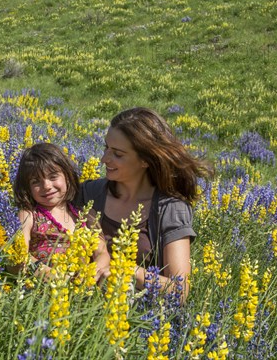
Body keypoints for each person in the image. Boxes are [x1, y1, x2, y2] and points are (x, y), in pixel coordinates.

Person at [77, 107, 213, 299]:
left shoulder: (169, 208)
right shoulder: (89, 193)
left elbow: (180, 291)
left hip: (136, 321)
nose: (104, 159)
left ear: (145, 160)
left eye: (117, 154)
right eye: (106, 148)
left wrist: (123, 270)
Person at [12, 142, 111, 283]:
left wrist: (93, 271)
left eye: (53, 177)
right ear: (27, 188)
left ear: (68, 177)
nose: (46, 186)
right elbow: (19, 257)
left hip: (82, 287)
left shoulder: (85, 214)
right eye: (36, 182)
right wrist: (50, 275)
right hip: (42, 290)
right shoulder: (28, 214)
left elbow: (102, 252)